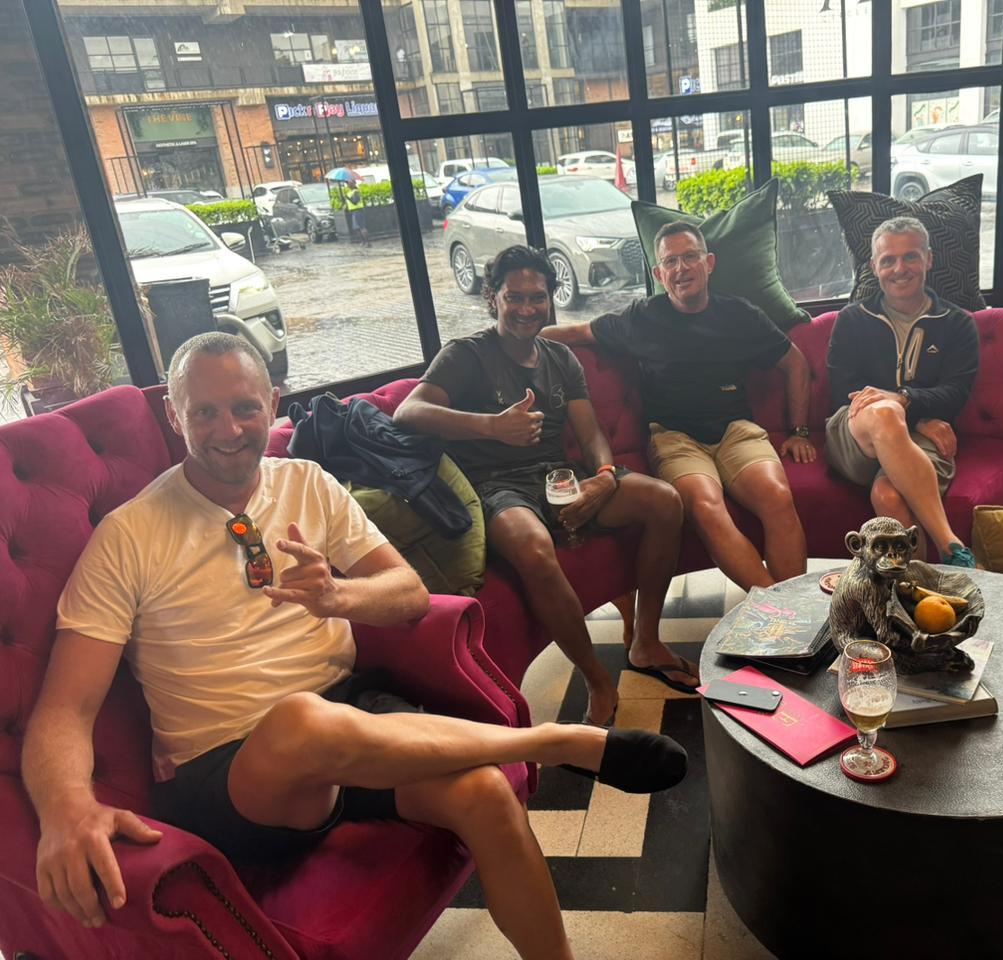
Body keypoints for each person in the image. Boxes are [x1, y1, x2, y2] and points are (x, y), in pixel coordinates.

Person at [21, 332, 685, 960]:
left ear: (272, 403)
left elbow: (408, 593)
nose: (229, 430)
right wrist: (65, 807)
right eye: (206, 412)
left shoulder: (306, 483)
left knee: (486, 795)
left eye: (246, 408)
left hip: (352, 723)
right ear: (174, 415)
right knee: (300, 722)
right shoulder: (128, 536)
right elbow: (65, 708)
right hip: (235, 774)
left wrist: (338, 597)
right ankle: (554, 742)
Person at [393, 246, 692, 727]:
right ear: (492, 297)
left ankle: (646, 642)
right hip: (495, 487)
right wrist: (491, 426)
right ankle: (597, 679)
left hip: (557, 476)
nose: (527, 308)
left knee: (665, 501)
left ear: (551, 299)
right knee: (533, 547)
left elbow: (591, 433)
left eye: (537, 297)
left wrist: (603, 477)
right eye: (514, 297)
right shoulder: (466, 355)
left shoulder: (559, 357)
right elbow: (408, 412)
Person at [541, 221, 816, 591]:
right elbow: (576, 332)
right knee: (705, 507)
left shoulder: (740, 314)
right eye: (670, 261)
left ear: (709, 262)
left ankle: (784, 616)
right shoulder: (641, 317)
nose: (681, 268)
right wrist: (509, 341)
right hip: (674, 438)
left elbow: (795, 363)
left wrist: (799, 431)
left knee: (779, 498)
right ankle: (780, 614)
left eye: (690, 257)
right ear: (659, 274)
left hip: (737, 431)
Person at [825, 216, 979, 566]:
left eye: (910, 256)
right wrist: (913, 413)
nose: (900, 269)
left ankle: (915, 590)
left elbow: (956, 392)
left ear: (929, 259)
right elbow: (843, 390)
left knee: (888, 495)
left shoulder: (957, 324)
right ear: (874, 267)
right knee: (884, 411)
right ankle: (950, 544)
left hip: (922, 442)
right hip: (854, 435)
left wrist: (905, 402)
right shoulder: (851, 319)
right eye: (888, 260)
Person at [342, 181, 370, 247]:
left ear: (354, 184)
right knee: (356, 228)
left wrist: (347, 197)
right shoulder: (349, 192)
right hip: (353, 211)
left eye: (349, 183)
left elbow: (355, 202)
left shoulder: (356, 192)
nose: (348, 185)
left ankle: (367, 242)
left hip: (358, 210)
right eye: (347, 184)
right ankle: (363, 242)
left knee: (361, 227)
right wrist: (345, 205)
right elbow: (349, 202)